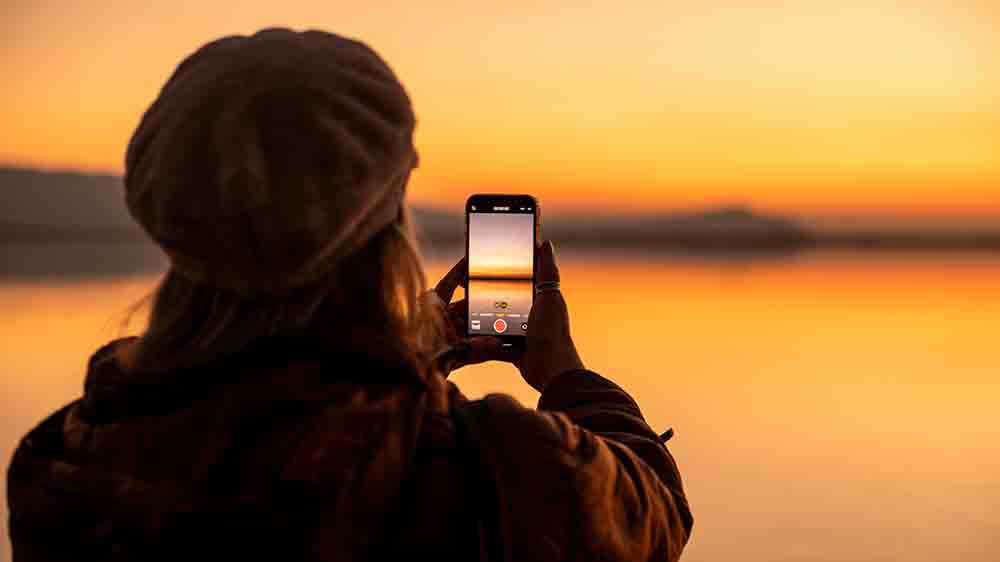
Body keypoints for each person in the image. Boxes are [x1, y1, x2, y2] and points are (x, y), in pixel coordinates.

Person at [7, 28, 692, 561]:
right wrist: (565, 372)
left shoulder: (63, 456)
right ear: (385, 223)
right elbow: (654, 517)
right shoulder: (490, 471)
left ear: (169, 217)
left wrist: (399, 351)